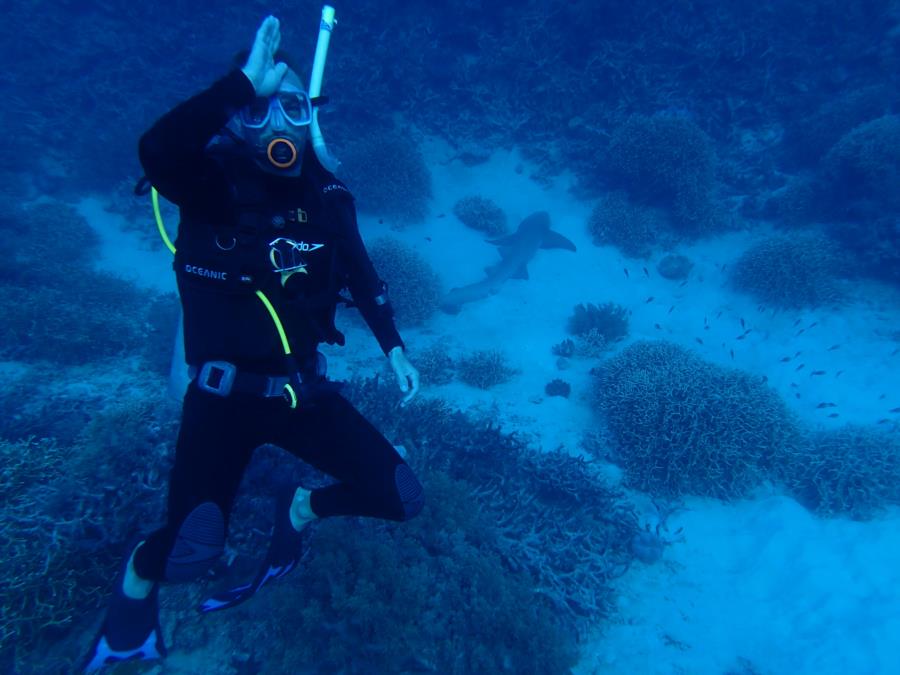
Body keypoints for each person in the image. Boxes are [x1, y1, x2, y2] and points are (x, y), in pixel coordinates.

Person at [83, 15, 424, 671]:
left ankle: (300, 507)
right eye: (260, 106)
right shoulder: (208, 183)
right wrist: (240, 84)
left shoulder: (325, 193)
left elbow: (357, 267)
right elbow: (155, 150)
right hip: (219, 402)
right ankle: (133, 597)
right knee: (187, 553)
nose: (277, 121)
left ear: (308, 115)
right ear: (238, 115)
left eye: (291, 105)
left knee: (402, 496)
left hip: (301, 391)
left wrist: (393, 346)